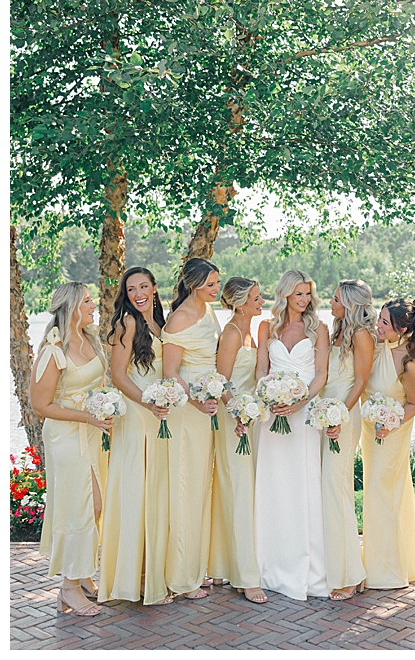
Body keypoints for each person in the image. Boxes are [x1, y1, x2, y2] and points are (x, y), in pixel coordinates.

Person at [29, 282, 109, 616]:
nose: (93, 305)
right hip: (65, 436)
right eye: (87, 301)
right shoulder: (54, 350)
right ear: (70, 307)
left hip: (91, 433)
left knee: (95, 505)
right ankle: (69, 588)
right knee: (82, 506)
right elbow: (40, 405)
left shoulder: (91, 338)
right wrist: (86, 416)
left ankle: (83, 575)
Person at [254, 269, 330, 600]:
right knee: (273, 484)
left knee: (302, 484)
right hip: (271, 415)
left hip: (304, 416)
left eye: (308, 293)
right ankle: (267, 563)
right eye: (298, 293)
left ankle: (306, 567)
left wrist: (299, 402)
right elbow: (262, 369)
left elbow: (321, 373)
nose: (304, 299)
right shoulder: (266, 327)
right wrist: (267, 396)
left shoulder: (318, 329)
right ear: (285, 294)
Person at [98, 267, 172, 606]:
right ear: (125, 295)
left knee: (153, 493)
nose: (139, 294)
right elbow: (117, 374)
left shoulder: (159, 324)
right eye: (131, 289)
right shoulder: (126, 323)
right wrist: (148, 402)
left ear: (154, 288)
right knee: (136, 493)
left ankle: (150, 573)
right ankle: (133, 578)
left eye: (144, 286)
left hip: (157, 417)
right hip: (138, 415)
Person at [161, 257, 221, 600]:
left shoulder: (209, 312)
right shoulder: (180, 318)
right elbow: (170, 372)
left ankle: (197, 567)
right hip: (187, 411)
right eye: (211, 284)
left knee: (200, 488)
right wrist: (197, 402)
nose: (216, 289)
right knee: (185, 488)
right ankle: (182, 578)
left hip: (206, 410)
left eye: (217, 283)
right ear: (194, 285)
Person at [361, 297, 415, 589]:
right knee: (376, 491)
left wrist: (391, 422)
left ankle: (385, 571)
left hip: (392, 434)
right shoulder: (376, 348)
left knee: (383, 492)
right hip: (370, 434)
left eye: (385, 323)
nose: (378, 325)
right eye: (379, 319)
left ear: (402, 329)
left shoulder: (408, 362)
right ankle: (388, 562)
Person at [207, 277, 267, 604]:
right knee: (239, 490)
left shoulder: (250, 332)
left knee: (241, 490)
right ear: (241, 303)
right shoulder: (231, 334)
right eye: (256, 298)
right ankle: (246, 577)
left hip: (248, 418)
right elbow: (221, 381)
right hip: (233, 422)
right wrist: (237, 413)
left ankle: (222, 565)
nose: (261, 302)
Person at [322, 279, 377, 600]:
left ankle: (349, 575)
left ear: (349, 303)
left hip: (344, 414)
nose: (330, 303)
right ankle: (334, 566)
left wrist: (339, 415)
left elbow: (361, 381)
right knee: (329, 488)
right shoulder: (338, 331)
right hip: (326, 414)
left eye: (335, 299)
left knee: (336, 487)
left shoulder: (360, 334)